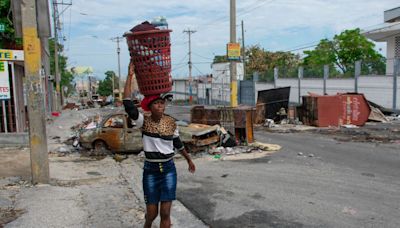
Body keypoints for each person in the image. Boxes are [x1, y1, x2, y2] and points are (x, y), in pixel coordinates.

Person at [123, 62, 195, 228]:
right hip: (151, 171)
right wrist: (130, 76)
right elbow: (128, 105)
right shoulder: (143, 121)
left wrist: (189, 160)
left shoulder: (170, 123)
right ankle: (147, 225)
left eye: (162, 104)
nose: (160, 106)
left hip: (169, 169)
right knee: (151, 213)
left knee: (165, 213)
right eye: (156, 104)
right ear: (150, 106)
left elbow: (177, 143)